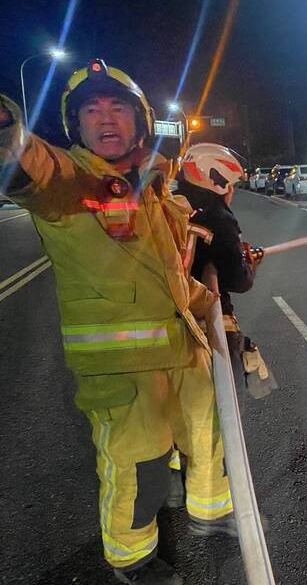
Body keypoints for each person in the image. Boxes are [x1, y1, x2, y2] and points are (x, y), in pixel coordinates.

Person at [0, 59, 234, 585]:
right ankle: (132, 559)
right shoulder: (73, 181)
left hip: (184, 349)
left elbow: (168, 278)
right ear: (75, 125)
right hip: (123, 372)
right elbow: (28, 165)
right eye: (91, 108)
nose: (105, 117)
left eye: (118, 106)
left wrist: (212, 315)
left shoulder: (152, 186)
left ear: (140, 119)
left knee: (208, 436)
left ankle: (212, 514)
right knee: (139, 465)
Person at [164, 143, 277, 507]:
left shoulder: (167, 206)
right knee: (220, 414)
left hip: (165, 326)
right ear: (216, 178)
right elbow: (237, 279)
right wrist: (250, 264)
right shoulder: (218, 217)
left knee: (171, 408)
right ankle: (214, 499)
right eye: (230, 184)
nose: (232, 193)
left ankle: (171, 481)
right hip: (210, 325)